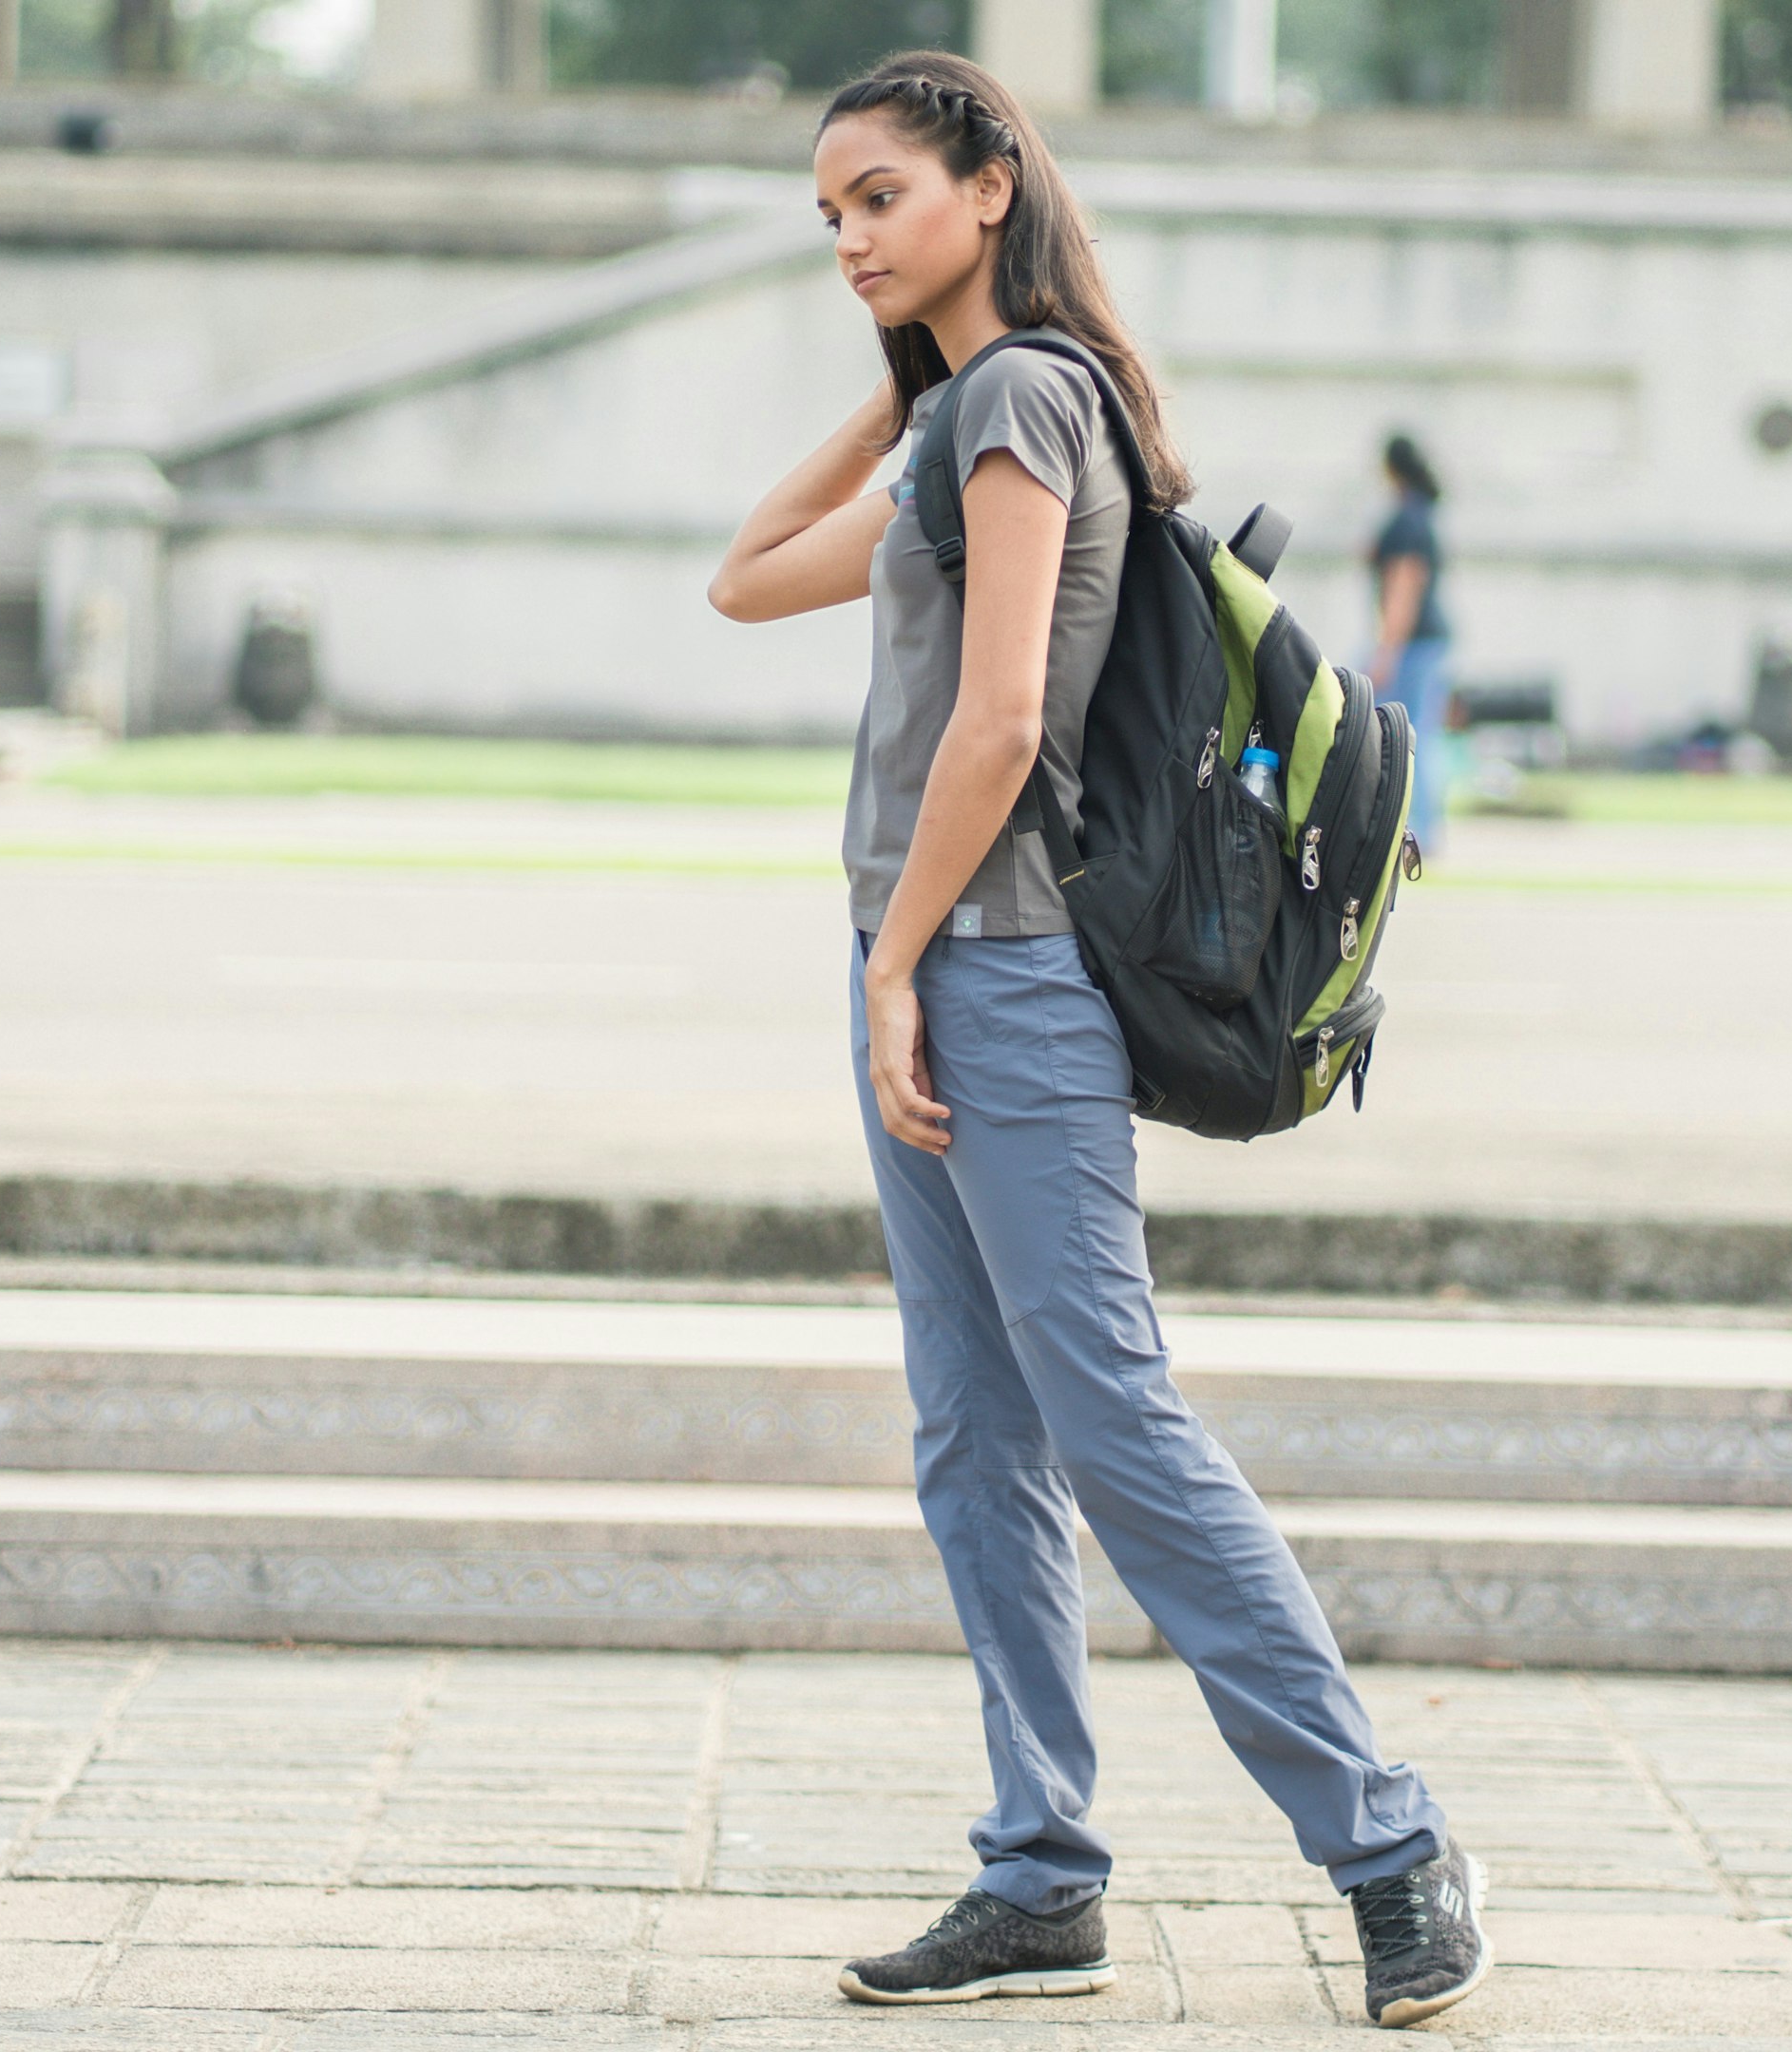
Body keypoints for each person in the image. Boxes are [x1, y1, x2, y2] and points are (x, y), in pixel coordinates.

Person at [706, 50, 1489, 2030]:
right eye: (828, 217)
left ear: (991, 183)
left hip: (997, 972)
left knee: (1116, 1425)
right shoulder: (973, 412)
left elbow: (995, 729)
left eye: (880, 197)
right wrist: (899, 368)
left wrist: (895, 970)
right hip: (925, 967)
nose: (850, 239)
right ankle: (1041, 1874)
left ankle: (1393, 1848)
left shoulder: (1033, 400)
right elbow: (739, 581)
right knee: (978, 1443)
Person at [1370, 434, 1452, 857]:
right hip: (1427, 642)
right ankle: (1423, 829)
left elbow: (1405, 586)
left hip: (1412, 645)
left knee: (1408, 737)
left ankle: (1418, 831)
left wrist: (1386, 651)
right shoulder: (1420, 514)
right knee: (1423, 734)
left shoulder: (1407, 519)